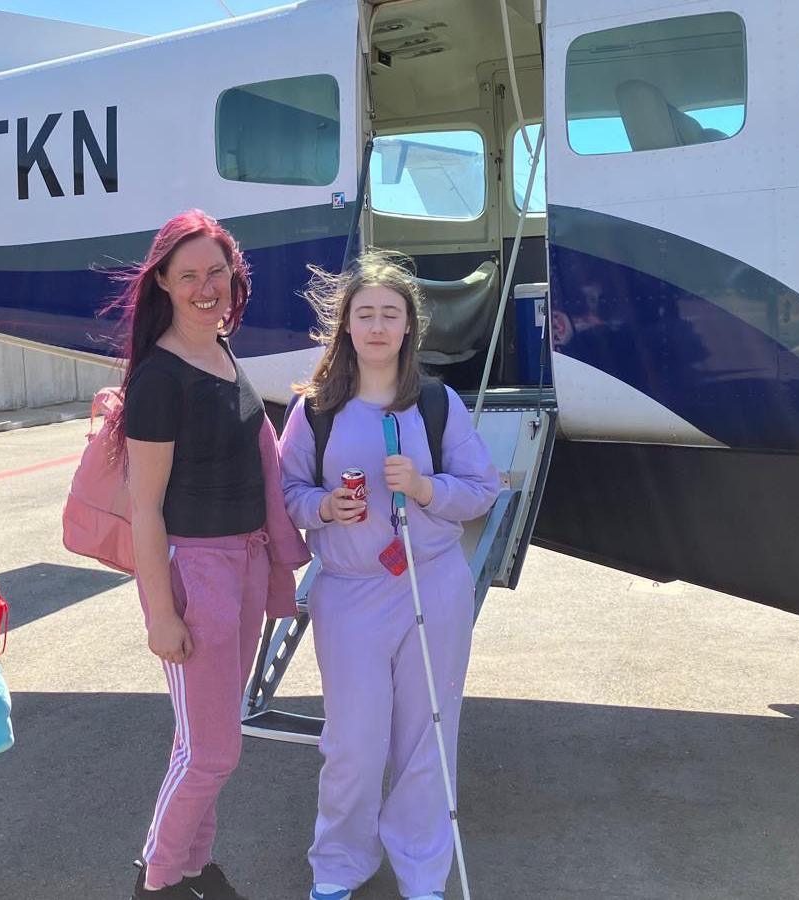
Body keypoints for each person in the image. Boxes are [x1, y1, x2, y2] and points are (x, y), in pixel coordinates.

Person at [279, 250, 500, 900]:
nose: (377, 326)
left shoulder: (436, 404)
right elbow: (287, 490)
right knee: (353, 741)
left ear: (409, 328)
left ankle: (421, 871)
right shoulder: (316, 409)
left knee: (428, 733)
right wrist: (321, 506)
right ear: (347, 326)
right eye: (365, 313)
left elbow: (482, 488)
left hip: (432, 584)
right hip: (348, 594)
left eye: (390, 315)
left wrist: (428, 489)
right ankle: (339, 867)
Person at [118, 209, 291, 900]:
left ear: (232, 275)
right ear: (162, 281)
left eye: (215, 272)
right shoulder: (159, 378)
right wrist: (162, 614)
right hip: (199, 570)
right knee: (214, 749)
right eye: (187, 275)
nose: (204, 286)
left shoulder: (220, 351)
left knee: (202, 739)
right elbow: (144, 508)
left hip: (244, 564)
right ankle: (156, 881)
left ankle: (194, 865)